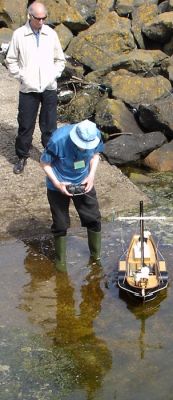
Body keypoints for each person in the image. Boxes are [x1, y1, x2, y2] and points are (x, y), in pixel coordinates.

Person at [6, 2, 65, 174]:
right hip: (28, 88)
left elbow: (60, 60)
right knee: (25, 124)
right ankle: (22, 156)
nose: (41, 21)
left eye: (44, 18)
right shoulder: (19, 35)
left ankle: (50, 154)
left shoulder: (51, 34)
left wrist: (53, 75)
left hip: (48, 87)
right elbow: (10, 60)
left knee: (49, 125)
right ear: (29, 16)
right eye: (37, 18)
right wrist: (22, 77)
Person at [40, 119, 104, 270]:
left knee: (93, 218)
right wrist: (58, 184)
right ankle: (60, 261)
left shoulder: (96, 135)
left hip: (83, 181)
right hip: (59, 184)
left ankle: (96, 257)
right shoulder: (58, 140)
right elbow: (44, 163)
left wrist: (91, 177)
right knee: (60, 224)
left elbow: (96, 155)